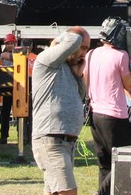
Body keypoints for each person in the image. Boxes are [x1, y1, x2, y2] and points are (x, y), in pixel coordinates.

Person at [85, 19, 131, 195]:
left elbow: (86, 81)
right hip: (115, 116)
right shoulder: (120, 55)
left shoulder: (91, 54)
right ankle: (100, 193)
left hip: (95, 113)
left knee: (104, 163)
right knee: (125, 159)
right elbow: (130, 84)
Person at [31, 27, 89, 195]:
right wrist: (58, 41)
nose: (84, 53)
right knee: (68, 191)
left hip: (66, 141)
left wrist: (79, 75)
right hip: (51, 139)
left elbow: (81, 96)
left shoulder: (69, 68)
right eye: (83, 48)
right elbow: (73, 39)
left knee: (54, 192)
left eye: (87, 49)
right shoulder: (47, 60)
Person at [0, 33, 17, 145]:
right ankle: (3, 136)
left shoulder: (18, 55)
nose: (10, 45)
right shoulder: (2, 56)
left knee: (20, 113)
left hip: (18, 87)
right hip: (6, 87)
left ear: (15, 43)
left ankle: (22, 136)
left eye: (12, 43)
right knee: (5, 112)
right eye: (8, 43)